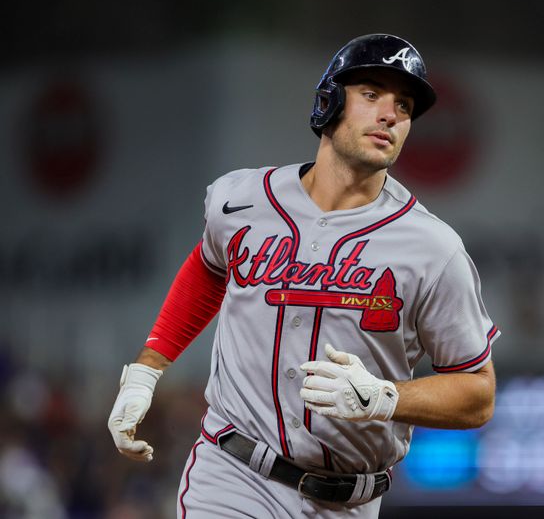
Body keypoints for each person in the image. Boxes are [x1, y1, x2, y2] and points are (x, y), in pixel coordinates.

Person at [108, 33, 500, 518]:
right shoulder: (243, 200)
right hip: (234, 474)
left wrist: (385, 397)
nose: (390, 114)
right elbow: (210, 269)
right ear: (329, 101)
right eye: (371, 94)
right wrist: (147, 370)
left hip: (351, 499)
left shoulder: (433, 248)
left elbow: (477, 392)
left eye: (404, 105)